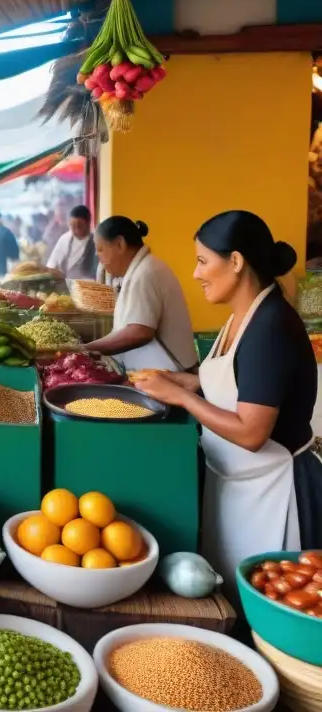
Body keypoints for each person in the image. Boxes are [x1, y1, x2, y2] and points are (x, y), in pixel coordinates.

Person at [135, 211, 322, 592]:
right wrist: (177, 380)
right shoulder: (242, 317)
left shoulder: (270, 327)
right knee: (227, 594)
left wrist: (181, 397)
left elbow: (252, 432)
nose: (196, 273)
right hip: (238, 485)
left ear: (235, 261)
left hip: (274, 491)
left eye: (203, 261)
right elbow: (236, 386)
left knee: (265, 603)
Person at [84, 217, 197, 372]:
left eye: (101, 249)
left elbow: (139, 332)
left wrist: (86, 349)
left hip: (173, 373)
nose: (98, 256)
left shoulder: (146, 273)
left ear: (120, 245)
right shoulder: (140, 269)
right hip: (157, 372)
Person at [45, 205, 97, 281]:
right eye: (72, 226)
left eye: (79, 226)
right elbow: (52, 264)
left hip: (87, 286)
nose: (75, 230)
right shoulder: (64, 239)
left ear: (88, 223)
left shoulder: (96, 242)